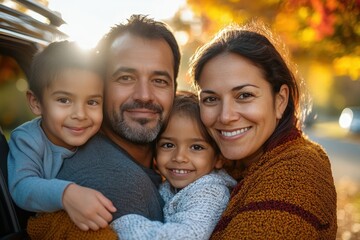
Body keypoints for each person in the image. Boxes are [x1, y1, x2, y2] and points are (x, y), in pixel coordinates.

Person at [26, 14, 181, 238]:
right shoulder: (116, 183)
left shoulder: (170, 157)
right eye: (126, 77)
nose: (144, 96)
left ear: (174, 90)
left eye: (159, 81)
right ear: (99, 87)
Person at [189, 21, 337, 239]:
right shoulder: (217, 166)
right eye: (211, 99)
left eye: (244, 95)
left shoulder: (297, 171)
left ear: (280, 100)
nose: (225, 116)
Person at [6, 41, 116, 229]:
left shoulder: (101, 136)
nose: (80, 114)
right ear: (36, 103)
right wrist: (66, 194)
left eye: (92, 102)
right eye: (64, 100)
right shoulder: (27, 139)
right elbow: (22, 186)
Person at [111, 92, 237, 240]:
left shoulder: (210, 191)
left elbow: (187, 235)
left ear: (219, 158)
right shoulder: (170, 186)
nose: (179, 157)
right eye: (168, 145)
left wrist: (123, 222)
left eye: (196, 147)